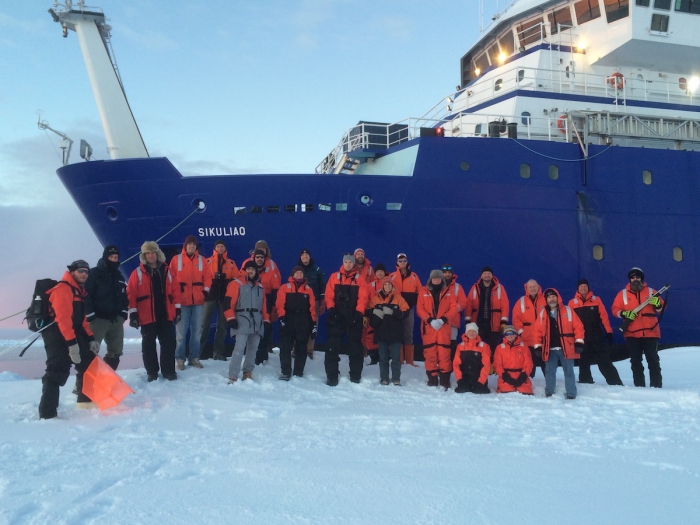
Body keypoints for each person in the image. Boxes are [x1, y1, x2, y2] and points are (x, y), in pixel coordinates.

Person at [38, 260, 100, 419]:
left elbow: (83, 320)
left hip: (74, 332)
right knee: (56, 371)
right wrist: (72, 345)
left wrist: (90, 338)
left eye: (86, 271)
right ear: (72, 272)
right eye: (81, 271)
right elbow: (63, 320)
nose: (84, 274)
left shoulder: (80, 291)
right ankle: (47, 413)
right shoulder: (63, 290)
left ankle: (85, 400)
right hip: (56, 335)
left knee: (89, 363)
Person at [127, 241, 181, 382]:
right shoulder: (137, 273)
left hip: (165, 313)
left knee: (169, 343)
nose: (151, 255)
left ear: (158, 254)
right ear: (144, 255)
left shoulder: (167, 270)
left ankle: (169, 371)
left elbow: (175, 291)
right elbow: (131, 294)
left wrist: (178, 310)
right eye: (148, 253)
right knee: (148, 345)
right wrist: (133, 314)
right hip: (147, 315)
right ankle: (152, 372)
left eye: (153, 253)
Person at [612, 267, 665, 388]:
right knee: (635, 362)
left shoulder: (652, 292)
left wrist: (657, 304)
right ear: (630, 279)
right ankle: (639, 386)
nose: (635, 279)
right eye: (633, 277)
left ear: (642, 279)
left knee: (653, 361)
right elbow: (615, 310)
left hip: (650, 332)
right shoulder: (622, 294)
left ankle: (656, 386)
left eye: (638, 277)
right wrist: (624, 314)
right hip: (632, 333)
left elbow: (661, 309)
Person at [324, 254, 369, 386]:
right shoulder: (334, 277)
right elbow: (329, 295)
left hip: (353, 317)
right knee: (332, 347)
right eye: (346, 262)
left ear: (354, 264)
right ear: (343, 263)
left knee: (355, 348)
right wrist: (331, 310)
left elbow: (363, 297)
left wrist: (358, 313)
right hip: (336, 317)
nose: (348, 264)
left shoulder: (360, 279)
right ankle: (332, 376)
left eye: (350, 262)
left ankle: (355, 375)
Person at [569, 279, 623, 386]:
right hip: (581, 336)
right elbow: (570, 321)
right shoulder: (572, 303)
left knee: (604, 359)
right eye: (581, 287)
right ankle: (585, 381)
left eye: (585, 286)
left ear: (588, 288)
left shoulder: (596, 300)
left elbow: (604, 317)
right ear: (578, 289)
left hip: (596, 335)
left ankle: (615, 382)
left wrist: (608, 332)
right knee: (583, 360)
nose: (583, 288)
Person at [169, 235, 212, 370]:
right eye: (189, 244)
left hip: (198, 302)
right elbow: (170, 278)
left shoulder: (202, 260)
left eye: (194, 244)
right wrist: (174, 296)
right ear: (185, 246)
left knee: (197, 332)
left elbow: (208, 277)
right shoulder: (176, 260)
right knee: (181, 333)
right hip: (182, 302)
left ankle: (194, 357)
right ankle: (180, 359)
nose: (192, 246)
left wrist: (204, 292)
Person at [534, 288, 584, 399]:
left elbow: (578, 327)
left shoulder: (568, 310)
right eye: (549, 297)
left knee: (569, 372)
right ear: (546, 300)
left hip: (566, 347)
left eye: (553, 296)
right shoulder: (542, 314)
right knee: (549, 372)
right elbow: (537, 331)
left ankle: (571, 393)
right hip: (550, 348)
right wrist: (538, 346)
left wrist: (579, 342)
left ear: (558, 297)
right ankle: (549, 391)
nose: (552, 299)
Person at [224, 260, 270, 382]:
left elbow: (264, 306)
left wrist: (266, 320)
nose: (250, 271)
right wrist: (231, 318)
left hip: (256, 321)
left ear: (256, 271)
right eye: (248, 269)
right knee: (239, 348)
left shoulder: (260, 287)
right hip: (241, 319)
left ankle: (247, 371)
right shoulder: (236, 284)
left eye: (252, 269)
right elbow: (227, 304)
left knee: (253, 348)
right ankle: (233, 374)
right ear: (244, 270)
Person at [84, 245, 128, 371]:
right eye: (111, 257)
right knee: (90, 352)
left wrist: (123, 314)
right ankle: (83, 386)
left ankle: (104, 380)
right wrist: (90, 315)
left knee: (116, 352)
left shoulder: (119, 276)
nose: (114, 260)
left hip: (115, 320)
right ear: (105, 257)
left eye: (116, 257)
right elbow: (86, 295)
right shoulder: (94, 274)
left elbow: (124, 297)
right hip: (98, 320)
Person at [240, 241, 281, 365]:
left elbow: (276, 283)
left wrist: (274, 305)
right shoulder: (247, 263)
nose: (261, 251)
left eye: (264, 248)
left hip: (267, 297)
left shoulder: (272, 264)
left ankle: (263, 354)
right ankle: (251, 354)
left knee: (266, 326)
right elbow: (240, 278)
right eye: (259, 249)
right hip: (251, 297)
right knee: (251, 325)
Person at [417, 269, 458, 389]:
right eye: (434, 278)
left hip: (443, 328)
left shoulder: (449, 292)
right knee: (430, 354)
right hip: (429, 328)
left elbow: (453, 308)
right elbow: (420, 309)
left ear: (441, 279)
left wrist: (443, 320)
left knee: (444, 354)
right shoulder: (423, 291)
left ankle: (445, 380)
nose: (436, 280)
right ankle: (432, 379)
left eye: (438, 278)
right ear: (431, 279)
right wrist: (429, 320)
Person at [275, 266, 317, 380]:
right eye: (297, 273)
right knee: (285, 347)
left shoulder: (308, 289)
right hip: (288, 319)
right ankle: (286, 371)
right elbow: (280, 304)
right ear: (292, 275)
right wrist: (282, 318)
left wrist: (313, 323)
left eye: (301, 273)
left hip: (303, 320)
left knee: (301, 347)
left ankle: (299, 372)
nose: (299, 275)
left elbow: (312, 307)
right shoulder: (285, 287)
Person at [200, 239, 239, 361]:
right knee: (204, 325)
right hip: (210, 297)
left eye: (222, 246)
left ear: (225, 248)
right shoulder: (207, 262)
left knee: (222, 327)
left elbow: (237, 279)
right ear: (215, 248)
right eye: (218, 246)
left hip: (224, 298)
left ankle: (218, 354)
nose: (220, 248)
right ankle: (198, 353)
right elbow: (202, 278)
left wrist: (226, 281)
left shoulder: (231, 263)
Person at [367, 276, 409, 385]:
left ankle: (396, 378)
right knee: (383, 358)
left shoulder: (398, 298)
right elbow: (368, 311)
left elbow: (406, 312)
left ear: (392, 286)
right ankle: (384, 378)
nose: (387, 286)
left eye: (389, 284)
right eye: (385, 284)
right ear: (382, 286)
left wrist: (393, 312)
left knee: (396, 357)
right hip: (381, 332)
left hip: (396, 332)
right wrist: (375, 311)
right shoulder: (376, 298)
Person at [466, 266, 509, 356]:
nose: (486, 275)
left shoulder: (500, 288)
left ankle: (493, 368)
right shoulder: (475, 287)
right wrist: (468, 322)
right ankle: (479, 368)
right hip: (478, 324)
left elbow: (505, 305)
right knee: (477, 347)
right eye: (484, 273)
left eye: (489, 273)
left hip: (494, 324)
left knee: (494, 348)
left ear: (492, 275)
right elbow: (469, 304)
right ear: (481, 276)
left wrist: (503, 322)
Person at [390, 253, 421, 366]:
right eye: (400, 261)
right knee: (397, 333)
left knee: (408, 333)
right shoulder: (392, 276)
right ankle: (399, 360)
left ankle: (409, 361)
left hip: (409, 310)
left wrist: (413, 302)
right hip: (396, 310)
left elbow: (419, 291)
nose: (402, 263)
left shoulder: (414, 276)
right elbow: (388, 291)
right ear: (397, 263)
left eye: (404, 261)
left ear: (407, 262)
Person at [512, 279, 546, 377]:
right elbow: (516, 319)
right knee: (529, 360)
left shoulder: (545, 299)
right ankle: (530, 380)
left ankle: (549, 381)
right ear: (526, 288)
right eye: (530, 287)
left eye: (534, 286)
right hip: (527, 337)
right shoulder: (521, 301)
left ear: (538, 287)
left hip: (543, 337)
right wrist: (522, 332)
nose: (532, 289)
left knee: (545, 360)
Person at [299, 248, 326, 360]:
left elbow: (322, 286)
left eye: (307, 255)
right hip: (299, 301)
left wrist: (322, 302)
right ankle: (297, 349)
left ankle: (309, 350)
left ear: (310, 257)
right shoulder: (297, 270)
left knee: (313, 325)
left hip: (313, 301)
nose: (305, 257)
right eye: (303, 255)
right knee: (298, 325)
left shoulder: (317, 270)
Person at [493, 325, 533, 395]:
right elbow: (497, 364)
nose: (509, 336)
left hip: (521, 375)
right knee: (505, 392)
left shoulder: (524, 347)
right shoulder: (499, 348)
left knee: (526, 392)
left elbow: (528, 363)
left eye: (511, 333)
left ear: (515, 334)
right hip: (506, 376)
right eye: (507, 334)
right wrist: (505, 376)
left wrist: (523, 376)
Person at [453, 323, 490, 394]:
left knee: (479, 391)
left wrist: (481, 381)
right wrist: (459, 379)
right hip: (465, 377)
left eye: (474, 331)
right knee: (461, 390)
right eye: (469, 331)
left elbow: (486, 365)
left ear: (477, 332)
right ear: (466, 333)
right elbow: (456, 364)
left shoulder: (484, 346)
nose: (471, 333)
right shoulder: (460, 346)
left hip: (479, 377)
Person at [363, 263, 388, 365]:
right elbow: (365, 299)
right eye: (378, 271)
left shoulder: (390, 284)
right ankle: (373, 357)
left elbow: (396, 298)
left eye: (382, 271)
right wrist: (366, 312)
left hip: (386, 314)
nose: (380, 273)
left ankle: (384, 357)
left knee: (385, 335)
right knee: (370, 335)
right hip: (372, 314)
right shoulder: (369, 285)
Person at [442, 264, 468, 360]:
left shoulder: (458, 287)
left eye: (449, 273)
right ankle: (442, 361)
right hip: (440, 320)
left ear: (452, 274)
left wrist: (453, 310)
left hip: (453, 320)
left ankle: (452, 362)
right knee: (441, 342)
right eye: (445, 273)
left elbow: (463, 302)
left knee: (452, 342)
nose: (447, 275)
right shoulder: (437, 285)